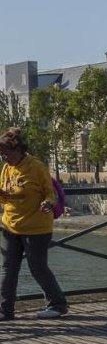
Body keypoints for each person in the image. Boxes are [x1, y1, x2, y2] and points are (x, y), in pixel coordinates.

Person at [0, 128, 68, 320]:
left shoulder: (36, 167)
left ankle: (58, 304)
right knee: (8, 268)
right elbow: (4, 195)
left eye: (6, 153)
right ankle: (5, 310)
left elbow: (51, 193)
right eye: (1, 154)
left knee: (37, 267)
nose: (4, 157)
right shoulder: (6, 168)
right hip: (10, 225)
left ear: (19, 150)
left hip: (36, 227)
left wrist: (47, 203)